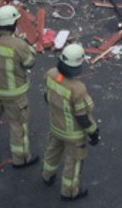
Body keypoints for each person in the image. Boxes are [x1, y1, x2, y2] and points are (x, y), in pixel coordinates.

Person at [0, 4, 38, 167]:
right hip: (14, 94)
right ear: (12, 25)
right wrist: (27, 46)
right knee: (18, 125)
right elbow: (29, 63)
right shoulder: (18, 45)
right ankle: (21, 158)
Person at [41, 43, 100, 201]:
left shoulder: (51, 74)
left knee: (52, 152)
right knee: (73, 163)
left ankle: (47, 176)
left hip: (55, 126)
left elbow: (47, 97)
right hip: (73, 135)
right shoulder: (78, 89)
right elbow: (82, 118)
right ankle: (69, 192)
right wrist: (94, 133)